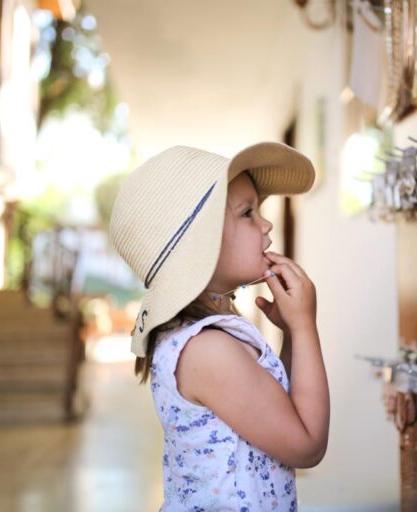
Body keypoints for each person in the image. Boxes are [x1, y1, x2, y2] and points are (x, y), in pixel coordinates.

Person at [108, 142, 330, 511]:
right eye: (247, 213)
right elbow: (307, 444)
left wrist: (292, 332)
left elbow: (285, 411)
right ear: (201, 247)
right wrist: (306, 326)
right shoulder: (209, 351)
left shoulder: (211, 337)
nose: (266, 223)